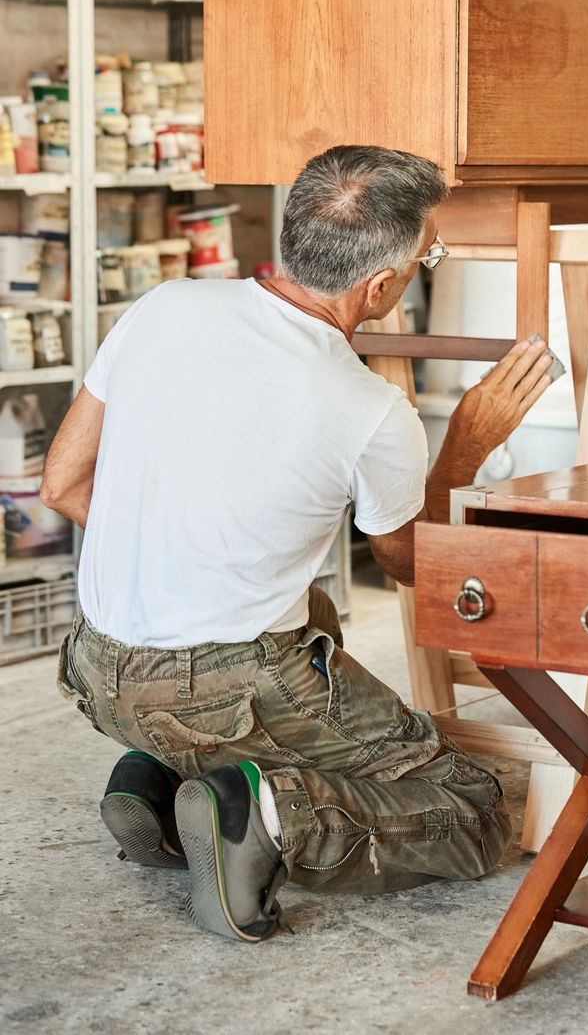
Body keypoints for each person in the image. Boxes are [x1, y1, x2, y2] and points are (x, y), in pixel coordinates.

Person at [42, 145, 555, 943]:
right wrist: (466, 444)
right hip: (212, 683)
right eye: (429, 256)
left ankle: (160, 768)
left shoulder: (162, 306)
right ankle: (268, 817)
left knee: (309, 608)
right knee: (475, 809)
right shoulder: (367, 407)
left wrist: (174, 565)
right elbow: (404, 563)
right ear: (380, 285)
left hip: (97, 664)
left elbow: (62, 484)